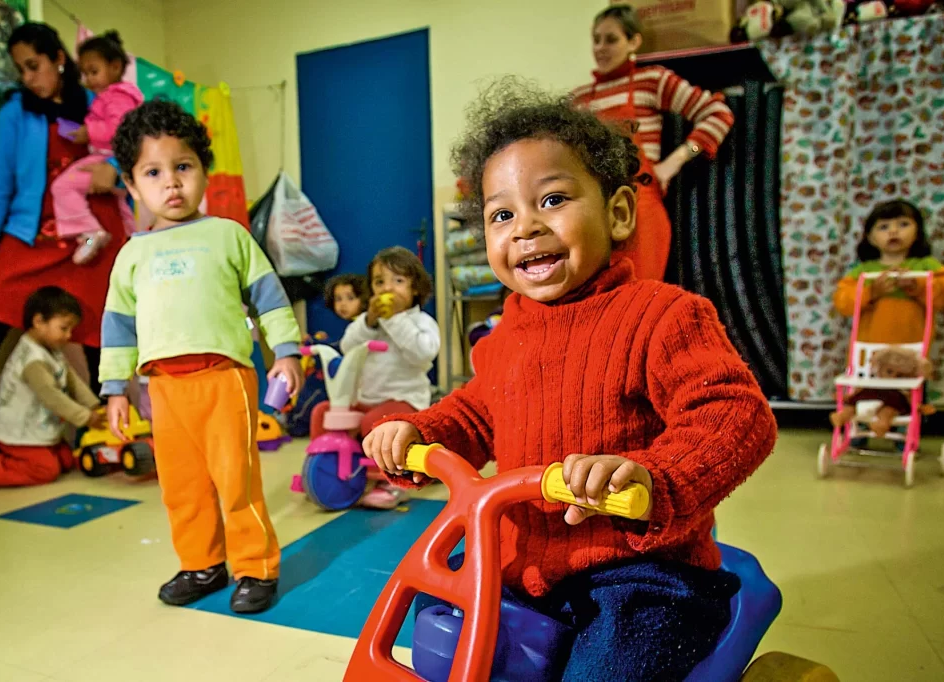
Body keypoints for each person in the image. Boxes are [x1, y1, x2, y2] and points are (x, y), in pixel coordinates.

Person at [363, 83, 776, 682]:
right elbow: (478, 414)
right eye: (501, 214)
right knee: (437, 620)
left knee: (610, 665)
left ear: (618, 213)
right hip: (522, 557)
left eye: (552, 199)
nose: (526, 227)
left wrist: (656, 478)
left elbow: (737, 414)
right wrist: (415, 433)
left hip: (639, 568)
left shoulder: (663, 315)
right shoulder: (507, 333)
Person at [100, 99, 303, 614]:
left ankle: (256, 567)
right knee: (182, 487)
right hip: (162, 390)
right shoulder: (131, 255)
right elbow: (118, 328)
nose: (171, 183)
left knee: (237, 479)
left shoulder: (228, 235)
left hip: (224, 379)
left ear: (204, 172)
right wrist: (114, 388)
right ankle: (202, 564)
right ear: (132, 184)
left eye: (183, 167)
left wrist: (287, 353)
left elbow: (270, 297)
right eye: (153, 172)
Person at [0, 22, 127, 409]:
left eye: (33, 65)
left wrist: (114, 166)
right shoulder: (15, 113)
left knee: (98, 337)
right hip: (32, 235)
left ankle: (109, 436)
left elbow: (136, 152)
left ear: (59, 59)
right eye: (20, 70)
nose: (27, 77)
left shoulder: (99, 102)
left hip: (92, 240)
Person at [571, 4, 735, 281]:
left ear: (633, 41)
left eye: (611, 39)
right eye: (596, 39)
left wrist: (674, 162)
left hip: (642, 205)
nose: (600, 48)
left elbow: (718, 113)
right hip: (593, 211)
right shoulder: (579, 99)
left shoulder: (652, 80)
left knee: (642, 295)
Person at [309, 247, 439, 509]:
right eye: (380, 282)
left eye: (398, 281)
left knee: (376, 422)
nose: (387, 289)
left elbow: (422, 354)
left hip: (406, 400)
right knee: (323, 412)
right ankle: (326, 468)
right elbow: (347, 346)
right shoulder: (371, 323)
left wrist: (392, 319)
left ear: (415, 288)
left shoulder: (422, 322)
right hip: (366, 399)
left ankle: (390, 482)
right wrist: (369, 320)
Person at [0, 287, 104, 487]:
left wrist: (95, 405)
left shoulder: (52, 350)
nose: (69, 336)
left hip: (40, 430)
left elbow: (73, 381)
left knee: (67, 460)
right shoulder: (32, 360)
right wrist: (85, 417)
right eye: (64, 328)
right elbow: (51, 396)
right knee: (46, 471)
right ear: (38, 322)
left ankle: (8, 458)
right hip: (19, 435)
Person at [52, 30, 143, 265]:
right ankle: (135, 243)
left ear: (114, 67)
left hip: (108, 159)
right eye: (85, 73)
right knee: (124, 209)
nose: (88, 79)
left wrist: (88, 132)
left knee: (61, 187)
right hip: (116, 163)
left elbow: (120, 129)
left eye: (94, 72)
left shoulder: (118, 96)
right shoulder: (108, 96)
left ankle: (88, 231)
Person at [834, 199, 944, 346]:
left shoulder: (927, 266)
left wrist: (916, 285)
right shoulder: (863, 271)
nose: (893, 231)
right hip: (869, 349)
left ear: (917, 233)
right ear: (871, 238)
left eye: (903, 224)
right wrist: (871, 292)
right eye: (883, 227)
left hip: (913, 349)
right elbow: (842, 303)